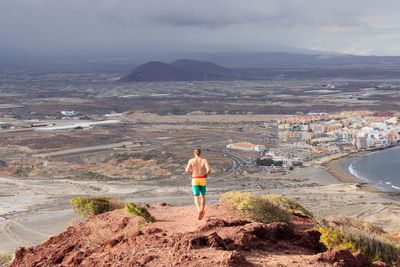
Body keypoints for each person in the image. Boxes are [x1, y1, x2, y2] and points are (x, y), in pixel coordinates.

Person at [185, 148, 212, 220]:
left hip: (195, 179)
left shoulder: (191, 160)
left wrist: (192, 173)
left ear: (194, 153)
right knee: (203, 195)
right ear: (200, 153)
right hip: (202, 179)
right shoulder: (204, 160)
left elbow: (187, 170)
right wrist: (206, 175)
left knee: (196, 196)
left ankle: (199, 210)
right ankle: (202, 210)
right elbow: (209, 169)